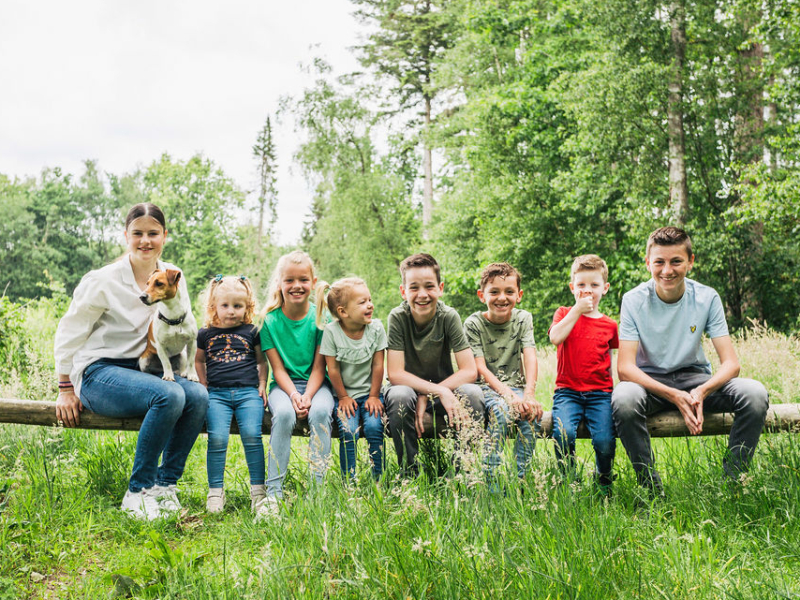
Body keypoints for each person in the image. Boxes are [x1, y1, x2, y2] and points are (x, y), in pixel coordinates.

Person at [54, 203, 208, 520]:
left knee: (197, 395)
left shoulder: (172, 276)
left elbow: (181, 325)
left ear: (165, 236)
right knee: (168, 394)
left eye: (153, 233)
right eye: (137, 233)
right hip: (99, 372)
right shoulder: (102, 280)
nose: (145, 241)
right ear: (126, 235)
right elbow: (69, 331)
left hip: (143, 369)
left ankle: (165, 488)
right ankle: (137, 492)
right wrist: (65, 386)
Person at [612, 227, 769, 493]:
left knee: (755, 394)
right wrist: (673, 395)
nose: (667, 270)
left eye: (676, 261)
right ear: (647, 262)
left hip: (696, 381)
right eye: (659, 262)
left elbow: (731, 363)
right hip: (650, 385)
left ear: (690, 262)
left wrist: (702, 390)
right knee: (624, 399)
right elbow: (625, 368)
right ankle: (651, 489)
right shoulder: (633, 300)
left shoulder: (707, 297)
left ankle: (732, 483)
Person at [385, 253, 484, 477]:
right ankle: (409, 475)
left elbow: (469, 371)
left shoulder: (448, 316)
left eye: (429, 286)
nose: (422, 294)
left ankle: (462, 474)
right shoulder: (397, 318)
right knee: (399, 395)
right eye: (414, 288)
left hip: (443, 395)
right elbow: (395, 374)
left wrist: (432, 394)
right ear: (403, 291)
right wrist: (435, 390)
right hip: (412, 394)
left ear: (440, 288)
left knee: (474, 394)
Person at [259, 251, 334, 512]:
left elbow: (318, 367)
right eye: (289, 280)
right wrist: (293, 396)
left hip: (317, 386)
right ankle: (274, 494)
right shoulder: (269, 322)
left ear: (313, 282)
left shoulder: (320, 320)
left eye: (303, 279)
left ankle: (317, 491)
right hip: (283, 387)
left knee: (322, 412)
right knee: (283, 415)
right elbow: (277, 369)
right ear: (279, 283)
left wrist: (309, 396)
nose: (296, 286)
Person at [195, 275, 269, 517]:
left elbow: (261, 361)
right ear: (213, 306)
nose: (231, 311)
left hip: (248, 393)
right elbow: (198, 360)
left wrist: (261, 384)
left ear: (247, 307)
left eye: (238, 306)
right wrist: (203, 384)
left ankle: (258, 491)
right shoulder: (205, 333)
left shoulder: (251, 331)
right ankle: (215, 491)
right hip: (217, 395)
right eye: (225, 305)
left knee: (251, 435)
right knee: (217, 439)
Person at [463, 262, 542, 483]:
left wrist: (529, 394)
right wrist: (507, 395)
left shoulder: (523, 318)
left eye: (509, 291)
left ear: (519, 295)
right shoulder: (473, 323)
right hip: (486, 387)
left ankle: (521, 478)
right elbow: (479, 366)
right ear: (482, 295)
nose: (502, 298)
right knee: (501, 412)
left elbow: (530, 355)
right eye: (494, 292)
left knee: (532, 416)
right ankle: (492, 478)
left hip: (516, 387)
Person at [548, 255, 619, 495]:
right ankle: (569, 480)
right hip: (568, 392)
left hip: (600, 393)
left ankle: (604, 478)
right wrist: (577, 311)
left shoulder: (610, 325)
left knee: (605, 440)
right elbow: (555, 337)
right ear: (572, 288)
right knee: (563, 433)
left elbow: (611, 360)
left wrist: (613, 390)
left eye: (594, 285)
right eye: (581, 285)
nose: (587, 291)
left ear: (605, 289)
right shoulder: (564, 313)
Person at [318, 278, 387, 480]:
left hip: (370, 393)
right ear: (343, 312)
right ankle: (349, 481)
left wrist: (374, 396)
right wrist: (343, 397)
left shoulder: (376, 329)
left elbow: (378, 364)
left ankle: (378, 479)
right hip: (343, 396)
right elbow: (333, 369)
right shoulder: (331, 332)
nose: (370, 305)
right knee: (348, 431)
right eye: (362, 302)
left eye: (370, 299)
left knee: (374, 427)